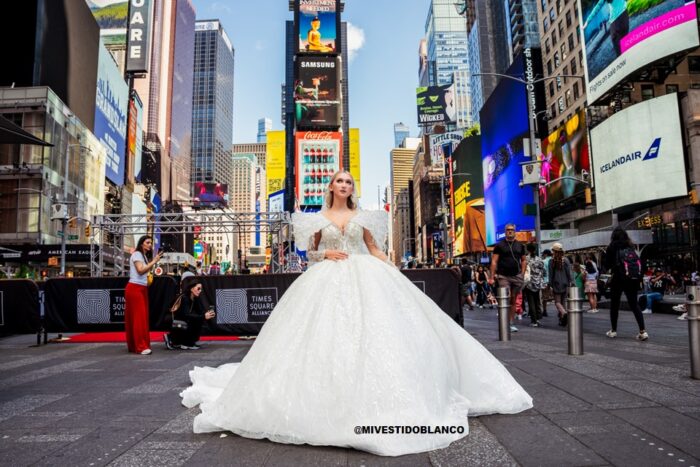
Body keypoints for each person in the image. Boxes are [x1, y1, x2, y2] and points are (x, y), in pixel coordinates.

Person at [179, 171, 532, 456]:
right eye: (339, 181)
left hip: (366, 274)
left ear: (352, 189)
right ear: (331, 186)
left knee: (377, 334)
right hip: (326, 278)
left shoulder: (364, 217)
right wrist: (324, 256)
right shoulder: (315, 218)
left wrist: (391, 268)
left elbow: (373, 247)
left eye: (349, 182)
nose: (344, 186)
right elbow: (309, 254)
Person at [603, 227, 649, 340]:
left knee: (614, 305)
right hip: (631, 278)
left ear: (613, 236)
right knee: (634, 304)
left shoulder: (612, 247)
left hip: (618, 278)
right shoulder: (631, 247)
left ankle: (613, 330)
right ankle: (642, 331)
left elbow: (606, 265)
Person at [125, 235, 163, 355]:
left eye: (150, 242)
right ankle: (140, 347)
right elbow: (140, 270)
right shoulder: (137, 254)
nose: (150, 244)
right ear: (142, 244)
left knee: (139, 318)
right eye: (147, 242)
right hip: (135, 288)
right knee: (139, 318)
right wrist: (154, 261)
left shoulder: (142, 256)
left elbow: (143, 271)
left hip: (141, 287)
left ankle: (135, 345)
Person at [488, 223, 527, 333]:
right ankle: (504, 321)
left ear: (515, 231)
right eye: (508, 230)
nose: (510, 231)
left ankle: (510, 322)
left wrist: (522, 274)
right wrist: (491, 277)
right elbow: (494, 261)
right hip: (503, 276)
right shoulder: (499, 245)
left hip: (516, 276)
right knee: (507, 297)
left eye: (512, 230)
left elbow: (524, 260)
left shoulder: (520, 246)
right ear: (505, 232)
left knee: (513, 299)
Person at [164, 280, 216, 350]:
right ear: (192, 289)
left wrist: (208, 314)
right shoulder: (185, 298)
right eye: (198, 288)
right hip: (174, 320)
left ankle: (188, 342)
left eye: (201, 289)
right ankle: (175, 339)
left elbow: (200, 312)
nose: (200, 290)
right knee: (195, 319)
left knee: (198, 319)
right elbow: (185, 315)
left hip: (181, 320)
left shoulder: (195, 298)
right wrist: (203, 316)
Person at [548, 243, 573, 327]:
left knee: (557, 302)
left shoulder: (551, 261)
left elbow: (550, 275)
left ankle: (564, 313)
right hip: (565, 283)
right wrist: (571, 282)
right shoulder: (565, 260)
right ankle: (562, 320)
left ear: (553, 251)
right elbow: (569, 273)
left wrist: (550, 285)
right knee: (563, 302)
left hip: (556, 283)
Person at [523, 243, 545, 327]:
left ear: (528, 250)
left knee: (531, 302)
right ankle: (538, 318)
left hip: (529, 283)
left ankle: (534, 320)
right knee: (537, 301)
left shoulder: (526, 259)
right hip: (538, 282)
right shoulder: (539, 259)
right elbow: (543, 271)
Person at [541, 249, 553, 316]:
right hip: (554, 281)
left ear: (545, 254)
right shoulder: (554, 260)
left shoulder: (544, 261)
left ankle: (545, 310)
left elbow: (543, 272)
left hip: (545, 281)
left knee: (544, 297)